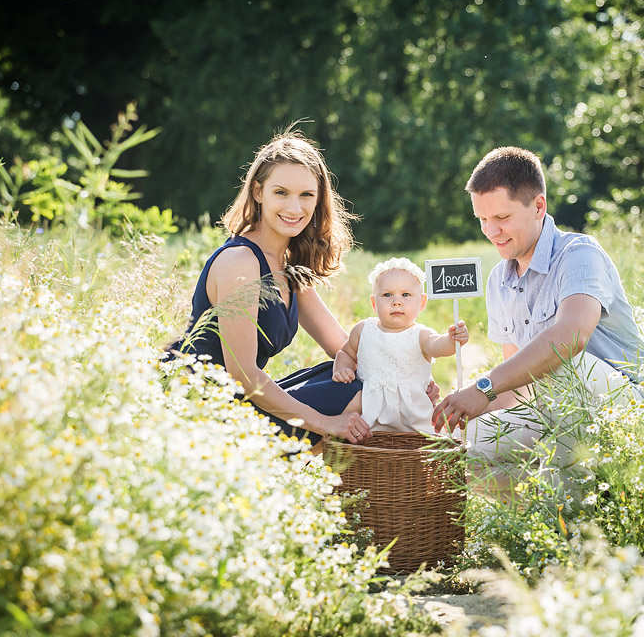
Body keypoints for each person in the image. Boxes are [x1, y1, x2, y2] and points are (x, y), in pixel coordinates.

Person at [431, 146, 644, 492]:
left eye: (502, 217)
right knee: (461, 444)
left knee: (562, 363)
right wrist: (461, 406)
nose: (491, 231)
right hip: (554, 411)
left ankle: (568, 503)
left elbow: (571, 337)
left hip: (624, 411)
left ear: (538, 207)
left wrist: (483, 388)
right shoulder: (499, 280)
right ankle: (545, 503)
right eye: (482, 219)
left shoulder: (579, 254)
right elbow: (517, 388)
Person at [168, 130, 371, 450]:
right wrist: (324, 422)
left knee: (361, 381)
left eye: (306, 195)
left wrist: (408, 373)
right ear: (258, 192)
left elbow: (344, 348)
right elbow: (243, 375)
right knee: (359, 394)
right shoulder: (240, 261)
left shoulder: (288, 267)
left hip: (241, 400)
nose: (295, 207)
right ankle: (272, 474)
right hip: (204, 409)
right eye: (281, 192)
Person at [332, 258, 469, 434]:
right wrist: (342, 369)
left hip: (413, 417)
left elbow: (437, 346)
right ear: (374, 303)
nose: (396, 301)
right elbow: (346, 353)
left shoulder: (420, 334)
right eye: (387, 295)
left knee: (430, 437)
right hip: (369, 413)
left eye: (405, 295)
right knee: (359, 436)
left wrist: (451, 339)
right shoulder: (363, 330)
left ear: (422, 302)